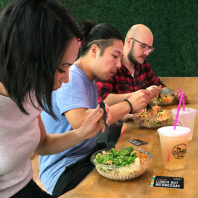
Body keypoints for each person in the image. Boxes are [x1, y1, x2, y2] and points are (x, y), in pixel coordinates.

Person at [0, 1, 110, 198]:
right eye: (61, 69)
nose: (67, 78)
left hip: (27, 188)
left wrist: (81, 133)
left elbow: (42, 144)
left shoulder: (30, 91)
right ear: (28, 57)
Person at [39, 21, 150, 196]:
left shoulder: (88, 79)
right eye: (115, 56)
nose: (119, 65)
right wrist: (128, 105)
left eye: (121, 58)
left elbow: (96, 120)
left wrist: (121, 118)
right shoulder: (73, 77)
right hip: (65, 169)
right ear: (94, 50)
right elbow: (81, 123)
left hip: (89, 157)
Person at [96, 24, 188, 107]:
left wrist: (173, 95)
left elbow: (159, 86)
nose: (147, 52)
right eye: (143, 46)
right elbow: (101, 99)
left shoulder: (143, 65)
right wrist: (141, 94)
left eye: (149, 48)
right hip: (118, 124)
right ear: (129, 42)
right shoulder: (111, 64)